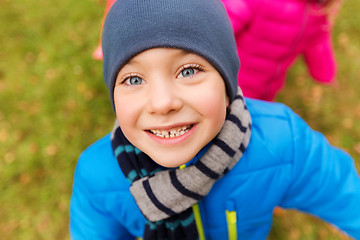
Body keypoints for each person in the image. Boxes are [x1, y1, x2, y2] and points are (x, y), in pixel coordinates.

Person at [69, 0, 360, 239]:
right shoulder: (97, 176)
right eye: (133, 78)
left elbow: (345, 195)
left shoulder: (282, 143)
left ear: (227, 79)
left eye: (188, 71)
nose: (162, 103)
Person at [220, 0, 341, 101]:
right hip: (231, 82)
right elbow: (222, 22)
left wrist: (325, 72)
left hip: (267, 89)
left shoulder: (316, 10)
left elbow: (318, 42)